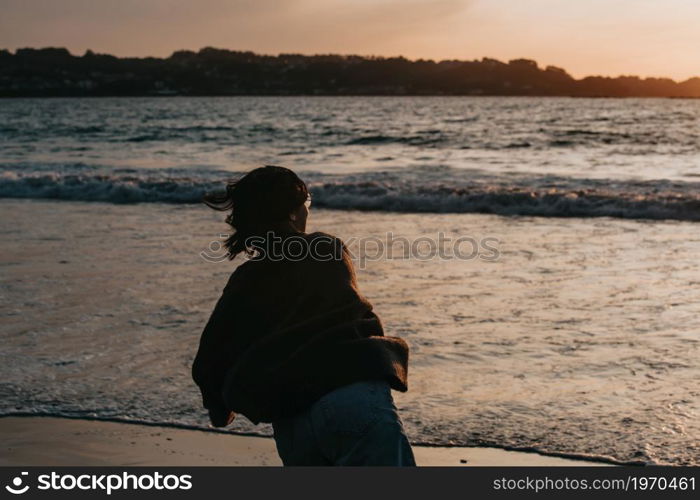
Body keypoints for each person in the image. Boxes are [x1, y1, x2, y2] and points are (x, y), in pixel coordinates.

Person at [192, 165, 415, 466]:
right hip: (353, 399)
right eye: (307, 202)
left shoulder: (245, 280)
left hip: (292, 421)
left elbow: (210, 356)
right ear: (293, 212)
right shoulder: (326, 249)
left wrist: (218, 408)